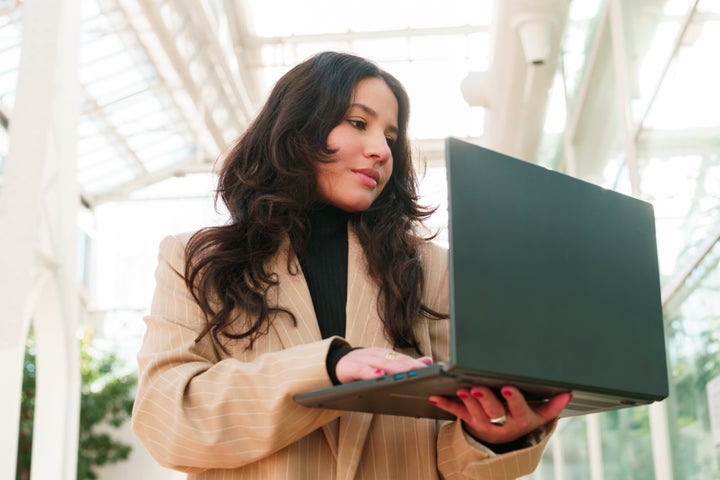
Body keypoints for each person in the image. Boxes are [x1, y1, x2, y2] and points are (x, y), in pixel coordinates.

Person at [131, 51, 572, 479]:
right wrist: (328, 368)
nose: (381, 149)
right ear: (296, 130)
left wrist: (490, 437)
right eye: (358, 123)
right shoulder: (196, 262)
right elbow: (165, 420)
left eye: (392, 137)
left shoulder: (433, 271)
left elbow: (452, 458)